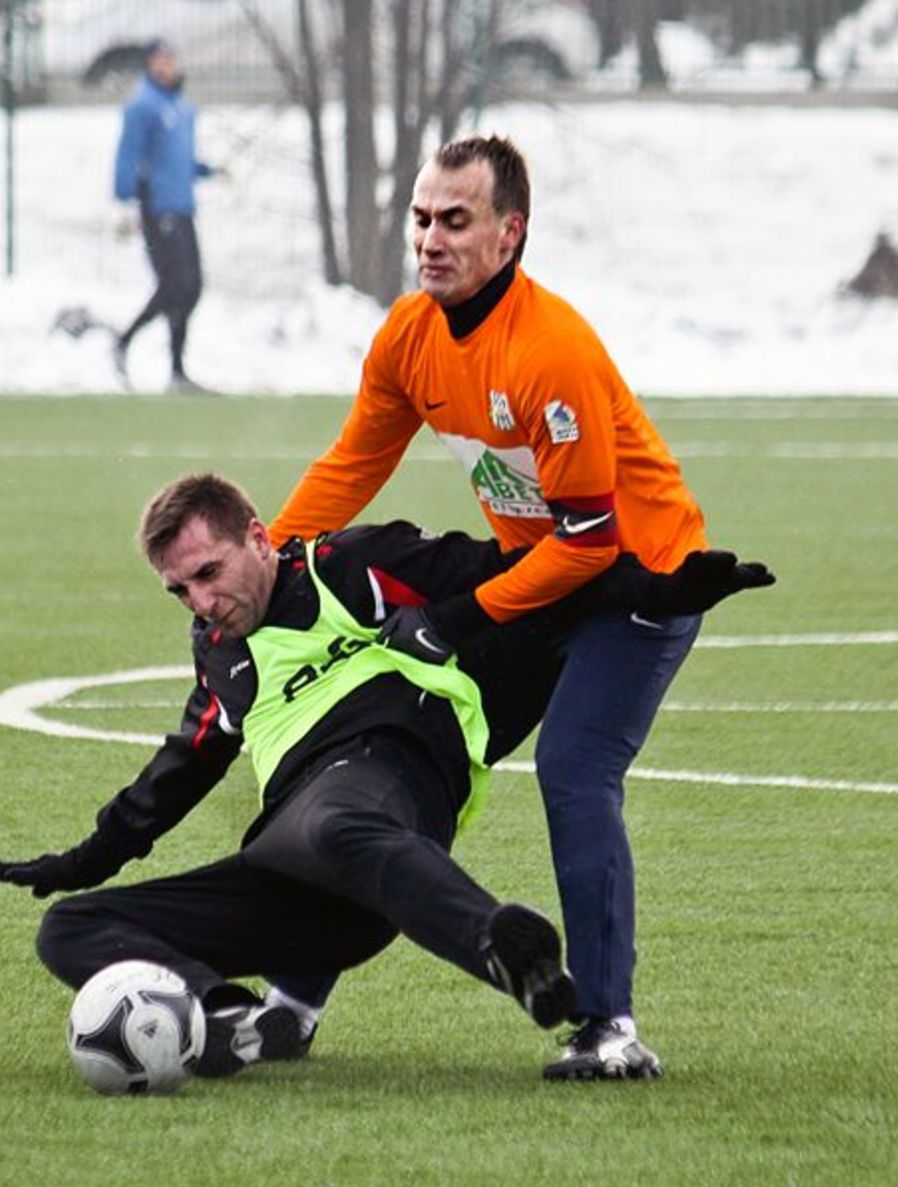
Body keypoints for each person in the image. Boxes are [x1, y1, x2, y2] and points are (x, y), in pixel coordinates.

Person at [0, 473, 768, 1078]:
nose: (200, 601)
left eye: (207, 572)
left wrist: (661, 590)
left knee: (335, 817)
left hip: (394, 782)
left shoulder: (351, 567)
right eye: (180, 591)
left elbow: (520, 572)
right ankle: (229, 1020)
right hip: (300, 872)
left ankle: (502, 950)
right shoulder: (220, 656)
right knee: (72, 928)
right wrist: (83, 860)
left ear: (258, 538)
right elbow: (178, 769)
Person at [267, 135, 721, 1080]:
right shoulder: (408, 333)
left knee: (573, 769)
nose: (430, 238)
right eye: (422, 218)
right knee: (388, 749)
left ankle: (610, 1030)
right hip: (537, 573)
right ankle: (292, 1001)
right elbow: (353, 463)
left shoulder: (550, 349)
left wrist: (460, 618)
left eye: (455, 220)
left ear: (508, 236)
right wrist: (265, 562)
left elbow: (592, 542)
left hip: (634, 583)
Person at [111, 38, 213, 394]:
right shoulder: (143, 105)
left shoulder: (182, 107)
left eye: (171, 58)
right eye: (160, 60)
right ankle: (124, 343)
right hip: (157, 208)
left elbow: (178, 159)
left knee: (193, 287)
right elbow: (130, 154)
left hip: (182, 205)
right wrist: (124, 201)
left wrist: (207, 170)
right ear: (150, 64)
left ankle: (177, 370)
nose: (167, 66)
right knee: (174, 285)